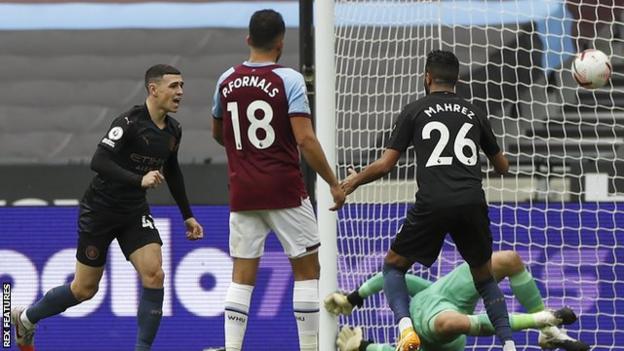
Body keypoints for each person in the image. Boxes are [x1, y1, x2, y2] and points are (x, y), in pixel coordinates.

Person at [11, 64, 204, 351]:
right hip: (100, 210)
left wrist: (187, 215)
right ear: (154, 89)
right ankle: (26, 318)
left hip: (134, 212)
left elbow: (173, 171)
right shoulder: (129, 121)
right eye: (174, 86)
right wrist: (140, 179)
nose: (180, 92)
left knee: (155, 274)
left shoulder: (173, 131)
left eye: (182, 86)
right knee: (84, 289)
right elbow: (98, 161)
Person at [340, 49, 514, 351]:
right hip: (472, 202)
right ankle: (510, 344)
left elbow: (385, 165)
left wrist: (354, 180)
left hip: (432, 202)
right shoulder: (474, 113)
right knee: (485, 280)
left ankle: (406, 329)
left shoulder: (414, 110)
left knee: (393, 268)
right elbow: (502, 167)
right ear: (457, 80)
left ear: (427, 77)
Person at [211, 9, 345, 351]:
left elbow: (220, 133)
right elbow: (306, 140)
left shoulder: (226, 79)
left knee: (242, 274)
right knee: (307, 268)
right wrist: (332, 181)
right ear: (281, 43)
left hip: (242, 190)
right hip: (284, 188)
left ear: (248, 39)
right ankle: (310, 347)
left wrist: (246, 155)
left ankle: (231, 347)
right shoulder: (289, 79)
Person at [325, 251, 590, 351]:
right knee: (447, 324)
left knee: (508, 260)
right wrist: (362, 346)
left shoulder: (426, 292)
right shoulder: (435, 340)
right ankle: (542, 319)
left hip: (449, 294)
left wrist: (353, 298)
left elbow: (391, 278)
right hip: (446, 327)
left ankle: (548, 331)